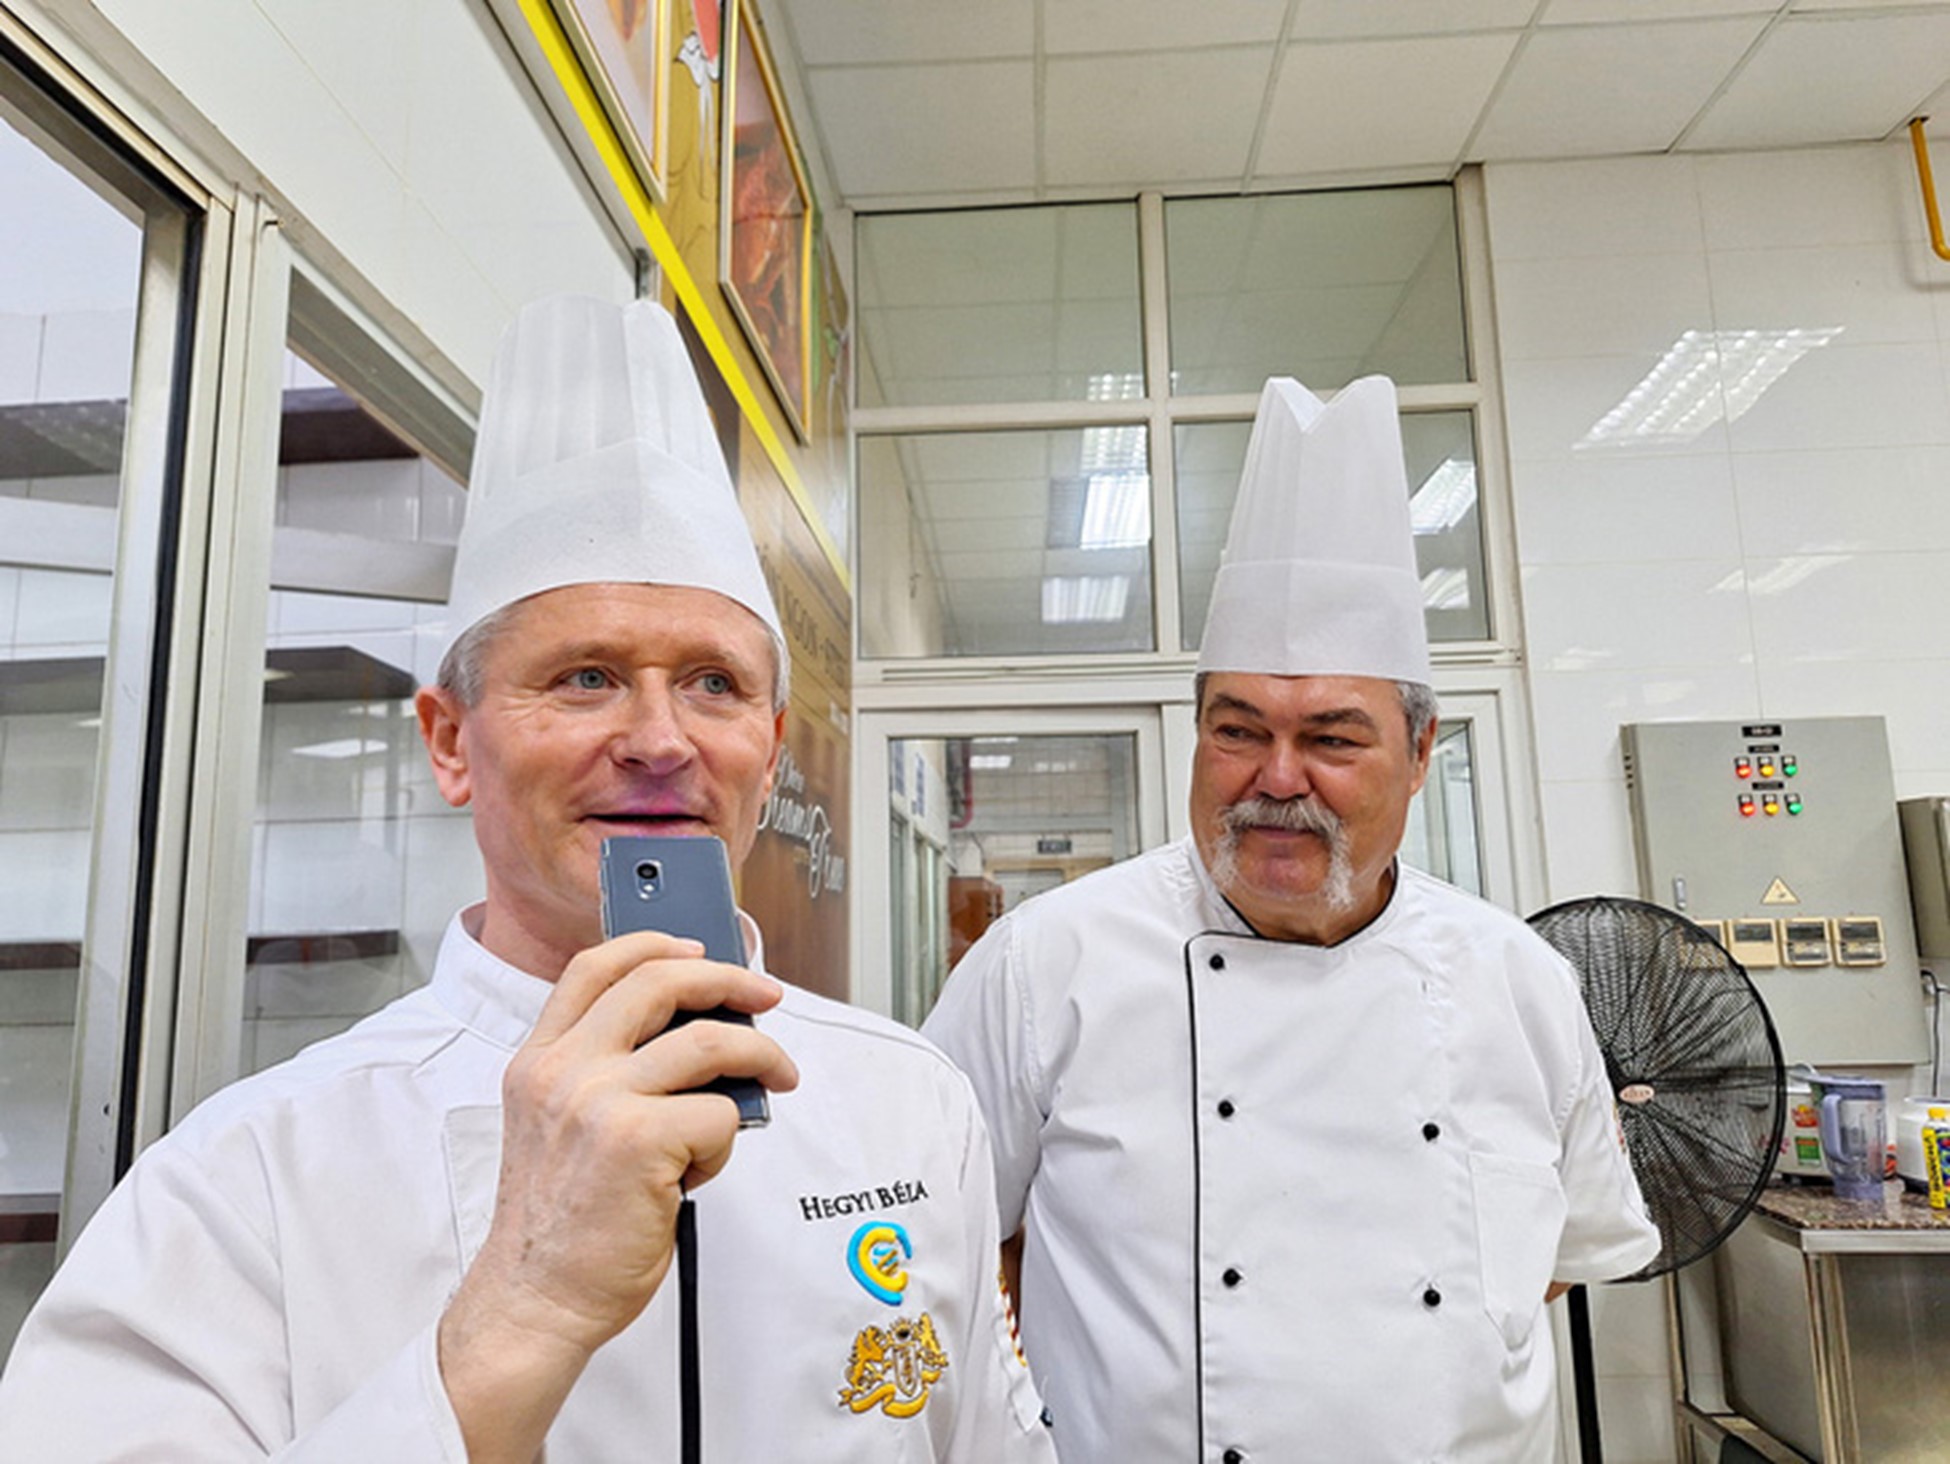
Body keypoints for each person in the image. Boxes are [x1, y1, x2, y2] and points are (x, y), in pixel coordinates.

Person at [0, 295, 1053, 1462]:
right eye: (586, 677)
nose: (661, 740)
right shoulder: (251, 1174)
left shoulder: (910, 1101)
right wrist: (527, 1309)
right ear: (451, 741)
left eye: (714, 684)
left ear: (769, 752)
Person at [922, 376, 1660, 1463]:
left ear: (1420, 756)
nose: (1277, 778)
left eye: (1332, 737)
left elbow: (1559, 1254)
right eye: (1237, 730)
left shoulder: (1519, 979)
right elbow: (924, 1246)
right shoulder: (1048, 962)